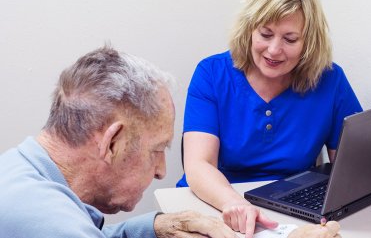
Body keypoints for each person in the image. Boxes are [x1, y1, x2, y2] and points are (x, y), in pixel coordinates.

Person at [177, 0, 361, 237]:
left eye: (290, 39)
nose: (274, 50)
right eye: (265, 34)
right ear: (249, 29)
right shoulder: (211, 74)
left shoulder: (330, 80)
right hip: (216, 204)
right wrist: (235, 204)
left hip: (290, 210)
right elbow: (198, 165)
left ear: (309, 42)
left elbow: (352, 167)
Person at [0, 46, 237, 238]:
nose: (161, 171)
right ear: (112, 143)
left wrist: (158, 227)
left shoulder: (19, 171)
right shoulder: (53, 225)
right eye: (157, 150)